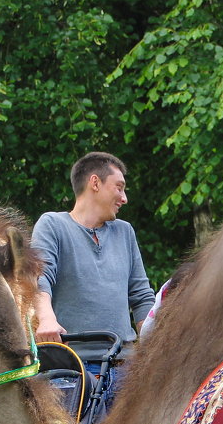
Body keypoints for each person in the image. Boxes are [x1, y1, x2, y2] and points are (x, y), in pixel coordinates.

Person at [30, 152, 155, 406]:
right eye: (119, 188)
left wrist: (159, 341)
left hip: (125, 367)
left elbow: (141, 297)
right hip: (73, 369)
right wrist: (46, 318)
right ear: (95, 183)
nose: (124, 198)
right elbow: (39, 278)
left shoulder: (124, 232)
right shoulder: (53, 225)